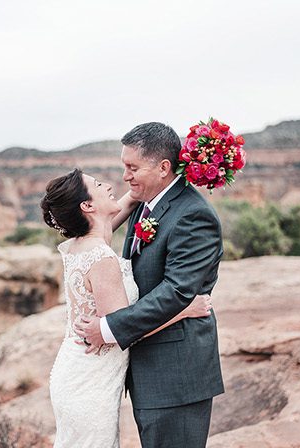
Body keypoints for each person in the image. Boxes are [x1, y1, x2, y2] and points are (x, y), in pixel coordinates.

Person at [47, 122, 225, 447]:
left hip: (176, 375)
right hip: (140, 373)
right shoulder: (146, 203)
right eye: (123, 167)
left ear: (163, 168)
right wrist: (130, 197)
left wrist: (106, 328)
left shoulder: (192, 215)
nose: (125, 177)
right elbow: (96, 233)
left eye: (132, 168)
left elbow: (177, 292)